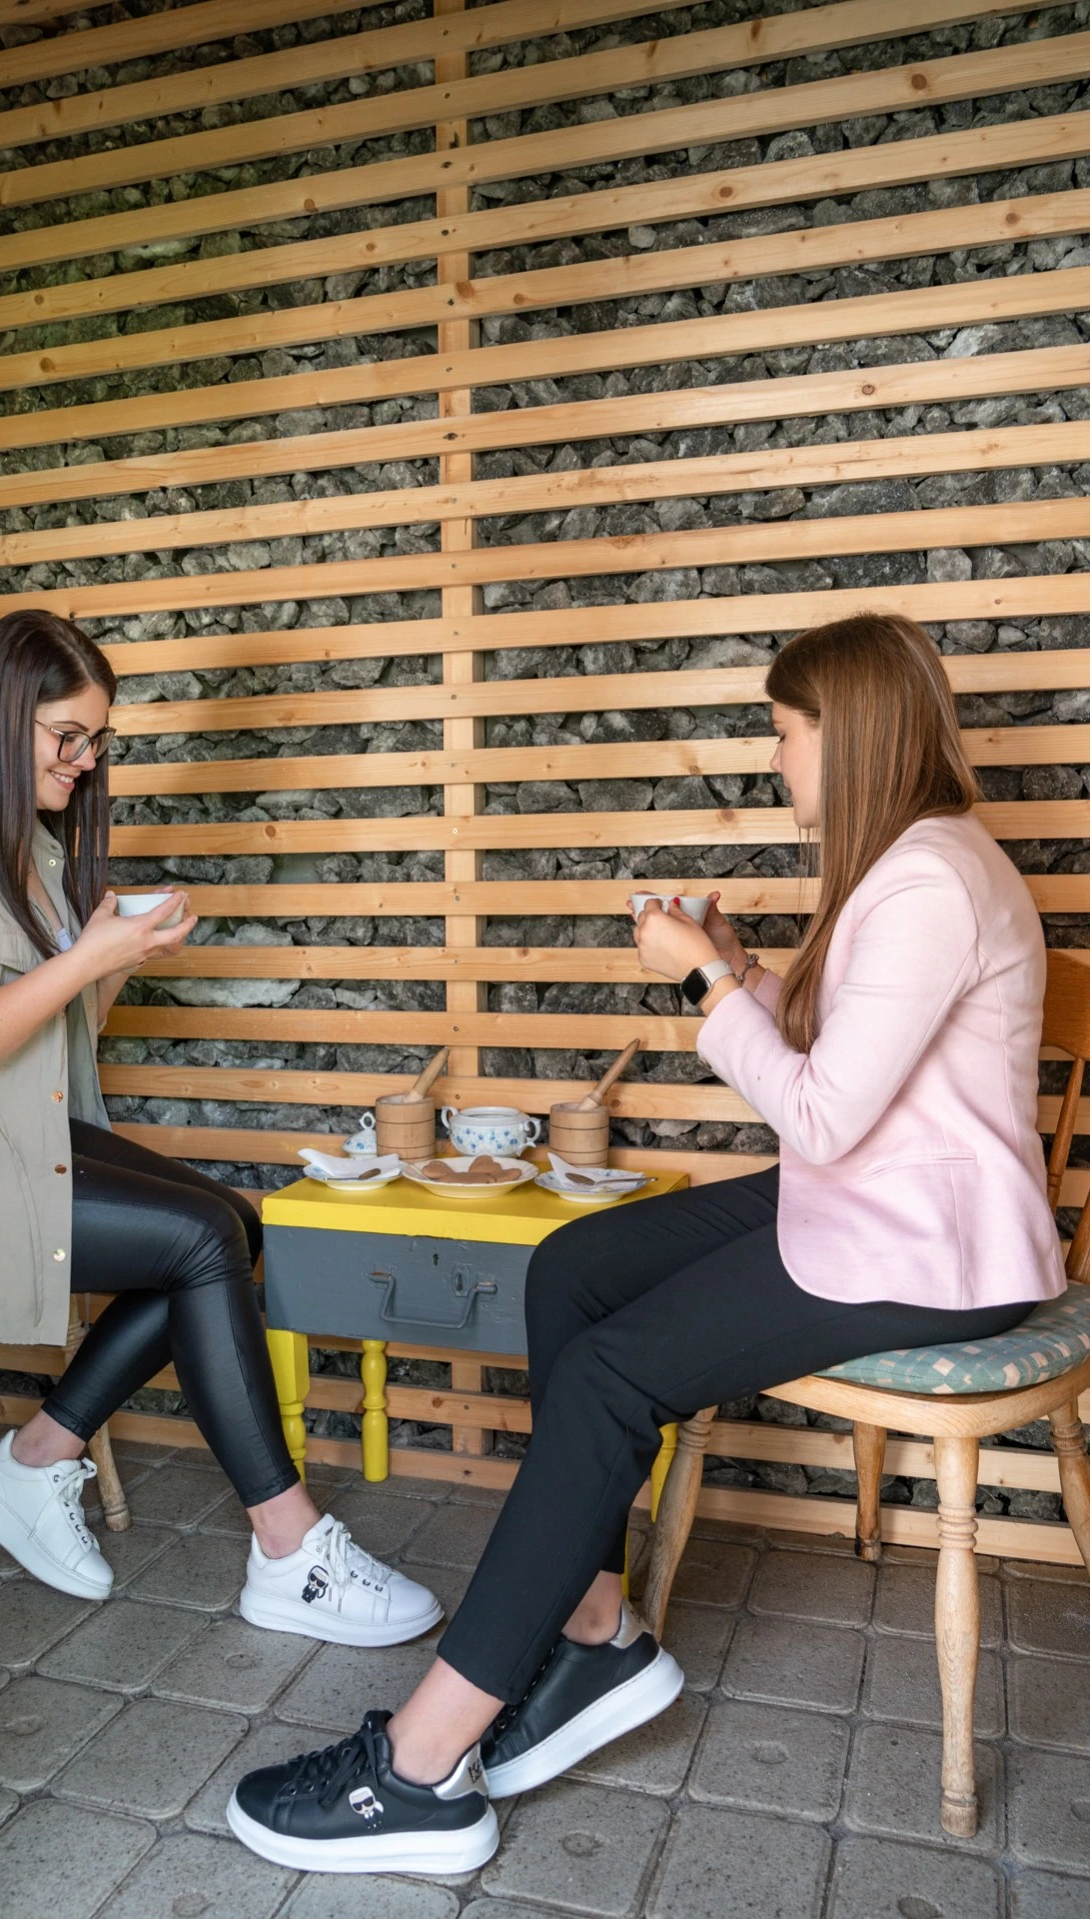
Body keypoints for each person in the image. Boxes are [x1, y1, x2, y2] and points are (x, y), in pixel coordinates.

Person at [225, 611, 1065, 1876]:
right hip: (878, 1201)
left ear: (848, 733)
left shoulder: (927, 879)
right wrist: (737, 969)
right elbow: (856, 1054)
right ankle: (595, 1633)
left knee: (611, 1377)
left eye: (784, 733)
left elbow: (820, 1113)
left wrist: (705, 989)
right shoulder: (913, 861)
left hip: (926, 1247)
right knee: (573, 1264)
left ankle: (419, 1766)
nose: (774, 759)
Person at [0, 609, 440, 1649]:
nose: (86, 759)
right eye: (68, 735)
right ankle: (288, 1548)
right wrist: (85, 959)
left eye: (98, 738)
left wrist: (114, 960)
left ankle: (34, 1459)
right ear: (0, 716)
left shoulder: (26, 846)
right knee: (200, 1241)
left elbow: (63, 1042)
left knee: (232, 1223)